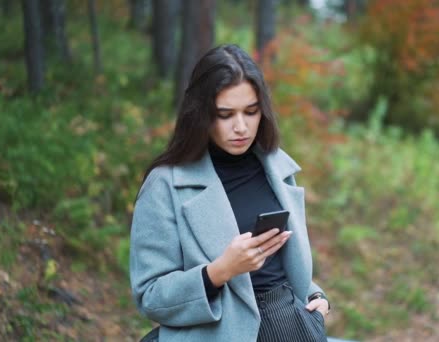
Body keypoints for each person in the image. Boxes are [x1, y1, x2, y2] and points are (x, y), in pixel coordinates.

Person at [129, 44, 330, 342]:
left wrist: (315, 297)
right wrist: (220, 271)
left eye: (251, 111)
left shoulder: (276, 166)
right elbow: (151, 296)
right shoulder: (165, 185)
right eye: (225, 114)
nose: (241, 127)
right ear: (200, 114)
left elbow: (280, 265)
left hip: (290, 328)